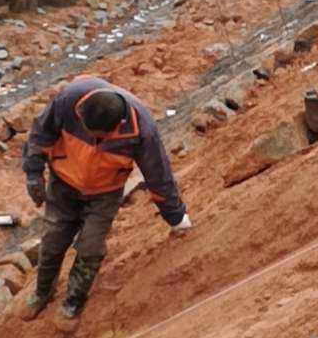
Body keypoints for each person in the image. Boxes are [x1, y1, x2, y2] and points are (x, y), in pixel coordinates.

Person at [22, 76, 191, 325]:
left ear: (115, 127)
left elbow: (158, 175)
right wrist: (34, 173)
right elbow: (41, 133)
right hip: (63, 184)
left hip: (104, 193)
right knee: (52, 241)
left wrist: (177, 218)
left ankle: (73, 300)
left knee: (90, 247)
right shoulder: (69, 100)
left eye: (96, 135)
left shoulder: (142, 131)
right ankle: (42, 293)